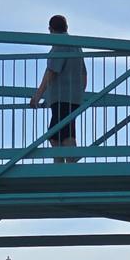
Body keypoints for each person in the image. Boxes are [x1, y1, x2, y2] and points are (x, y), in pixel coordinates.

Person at [30, 14, 88, 161]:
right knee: (60, 133)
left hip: (62, 97)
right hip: (73, 97)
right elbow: (84, 74)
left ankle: (68, 168)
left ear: (50, 30)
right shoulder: (76, 46)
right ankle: (63, 165)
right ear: (66, 27)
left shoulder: (59, 45)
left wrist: (38, 95)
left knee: (62, 134)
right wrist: (80, 93)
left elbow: (52, 72)